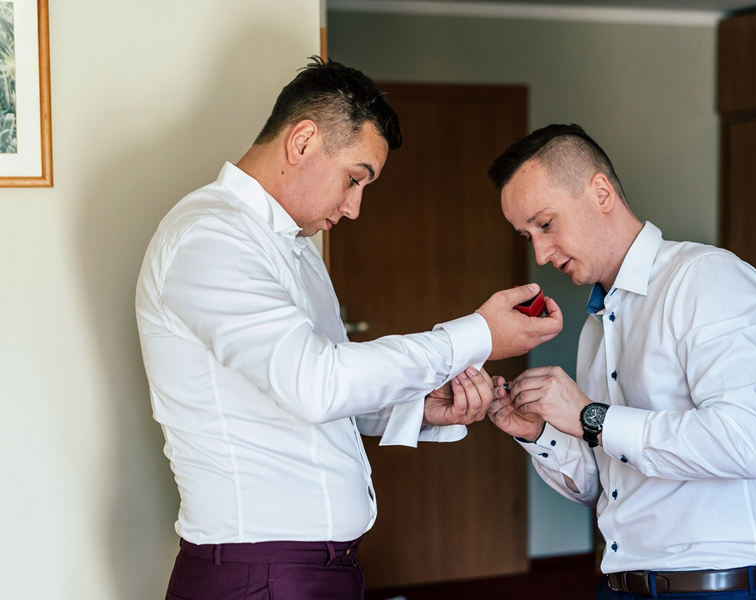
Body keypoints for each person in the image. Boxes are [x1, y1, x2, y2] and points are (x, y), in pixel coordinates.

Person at [135, 57, 562, 600]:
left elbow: (317, 396)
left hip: (315, 569)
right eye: (354, 178)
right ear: (303, 141)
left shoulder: (297, 249)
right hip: (258, 573)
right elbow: (315, 383)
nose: (355, 207)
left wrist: (416, 407)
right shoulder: (209, 239)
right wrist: (477, 334)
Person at [486, 124, 756, 600]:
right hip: (620, 586)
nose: (541, 254)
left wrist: (591, 417)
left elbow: (744, 443)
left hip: (715, 591)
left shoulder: (706, 279)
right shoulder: (595, 329)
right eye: (528, 237)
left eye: (545, 224)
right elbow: (606, 485)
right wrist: (537, 432)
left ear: (601, 193)